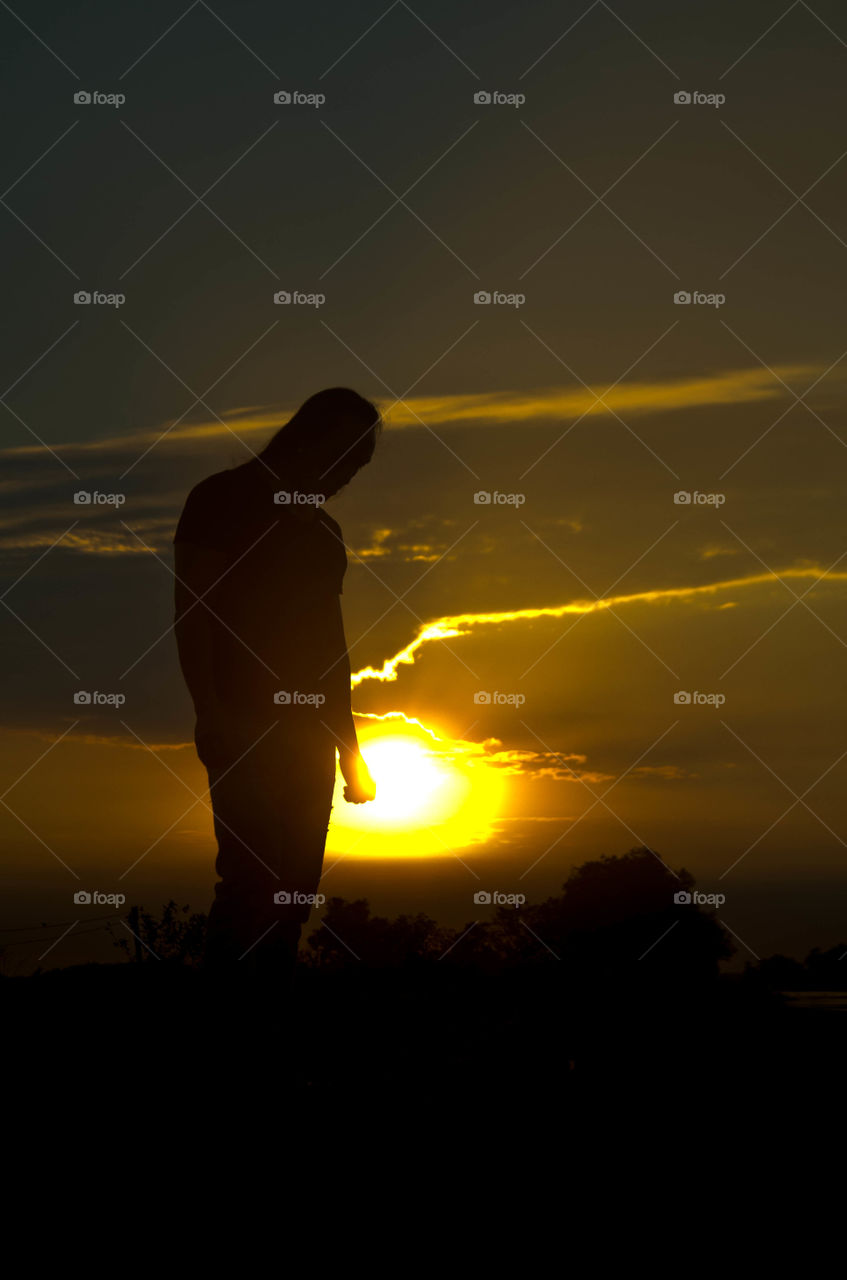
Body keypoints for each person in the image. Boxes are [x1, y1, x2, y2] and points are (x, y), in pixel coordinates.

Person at [173, 387, 378, 982]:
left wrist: (351, 752)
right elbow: (193, 611)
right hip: (242, 723)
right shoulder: (220, 499)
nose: (348, 477)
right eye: (345, 459)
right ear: (310, 443)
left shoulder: (325, 533)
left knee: (294, 894)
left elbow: (332, 649)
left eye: (359, 465)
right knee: (250, 881)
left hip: (310, 737)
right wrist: (209, 710)